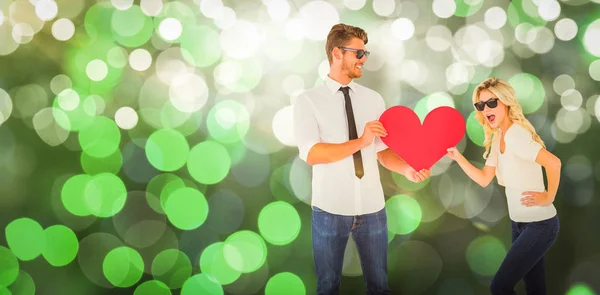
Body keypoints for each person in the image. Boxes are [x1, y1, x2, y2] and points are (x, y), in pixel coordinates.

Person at [293, 23, 430, 295]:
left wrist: (406, 169)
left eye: (365, 52)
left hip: (373, 209)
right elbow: (312, 153)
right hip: (330, 210)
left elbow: (380, 151)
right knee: (328, 286)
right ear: (336, 54)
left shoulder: (373, 99)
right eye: (358, 53)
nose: (364, 59)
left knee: (380, 286)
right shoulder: (308, 101)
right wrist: (360, 141)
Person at [446, 77, 561, 295]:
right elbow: (483, 178)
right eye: (481, 105)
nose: (486, 108)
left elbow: (554, 163)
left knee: (500, 286)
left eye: (492, 102)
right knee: (535, 289)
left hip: (540, 224)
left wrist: (548, 197)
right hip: (519, 225)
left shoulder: (517, 134)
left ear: (506, 102)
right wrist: (458, 157)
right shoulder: (499, 136)